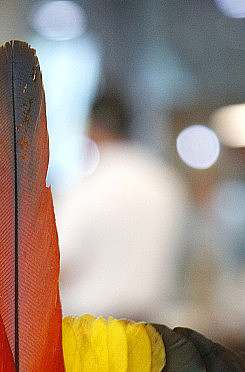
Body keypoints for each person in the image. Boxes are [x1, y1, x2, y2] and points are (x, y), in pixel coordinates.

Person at [56, 90, 188, 322]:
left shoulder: (84, 189)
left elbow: (58, 268)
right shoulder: (166, 183)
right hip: (152, 333)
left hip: (89, 335)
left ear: (91, 129)